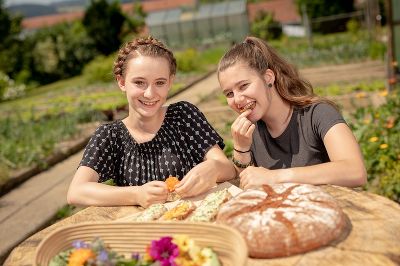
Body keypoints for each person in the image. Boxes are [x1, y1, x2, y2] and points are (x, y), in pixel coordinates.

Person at [67, 36, 235, 207]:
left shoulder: (184, 116)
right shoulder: (110, 136)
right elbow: (76, 192)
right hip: (145, 229)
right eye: (140, 82)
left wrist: (213, 168)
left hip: (193, 218)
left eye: (160, 83)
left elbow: (227, 169)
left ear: (170, 82)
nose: (150, 93)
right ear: (122, 82)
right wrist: (136, 194)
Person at [217, 36, 367, 190]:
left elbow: (355, 171)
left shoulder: (318, 114)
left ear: (268, 77)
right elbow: (248, 188)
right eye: (229, 94)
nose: (237, 99)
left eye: (243, 86)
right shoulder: (250, 132)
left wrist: (276, 176)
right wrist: (241, 148)